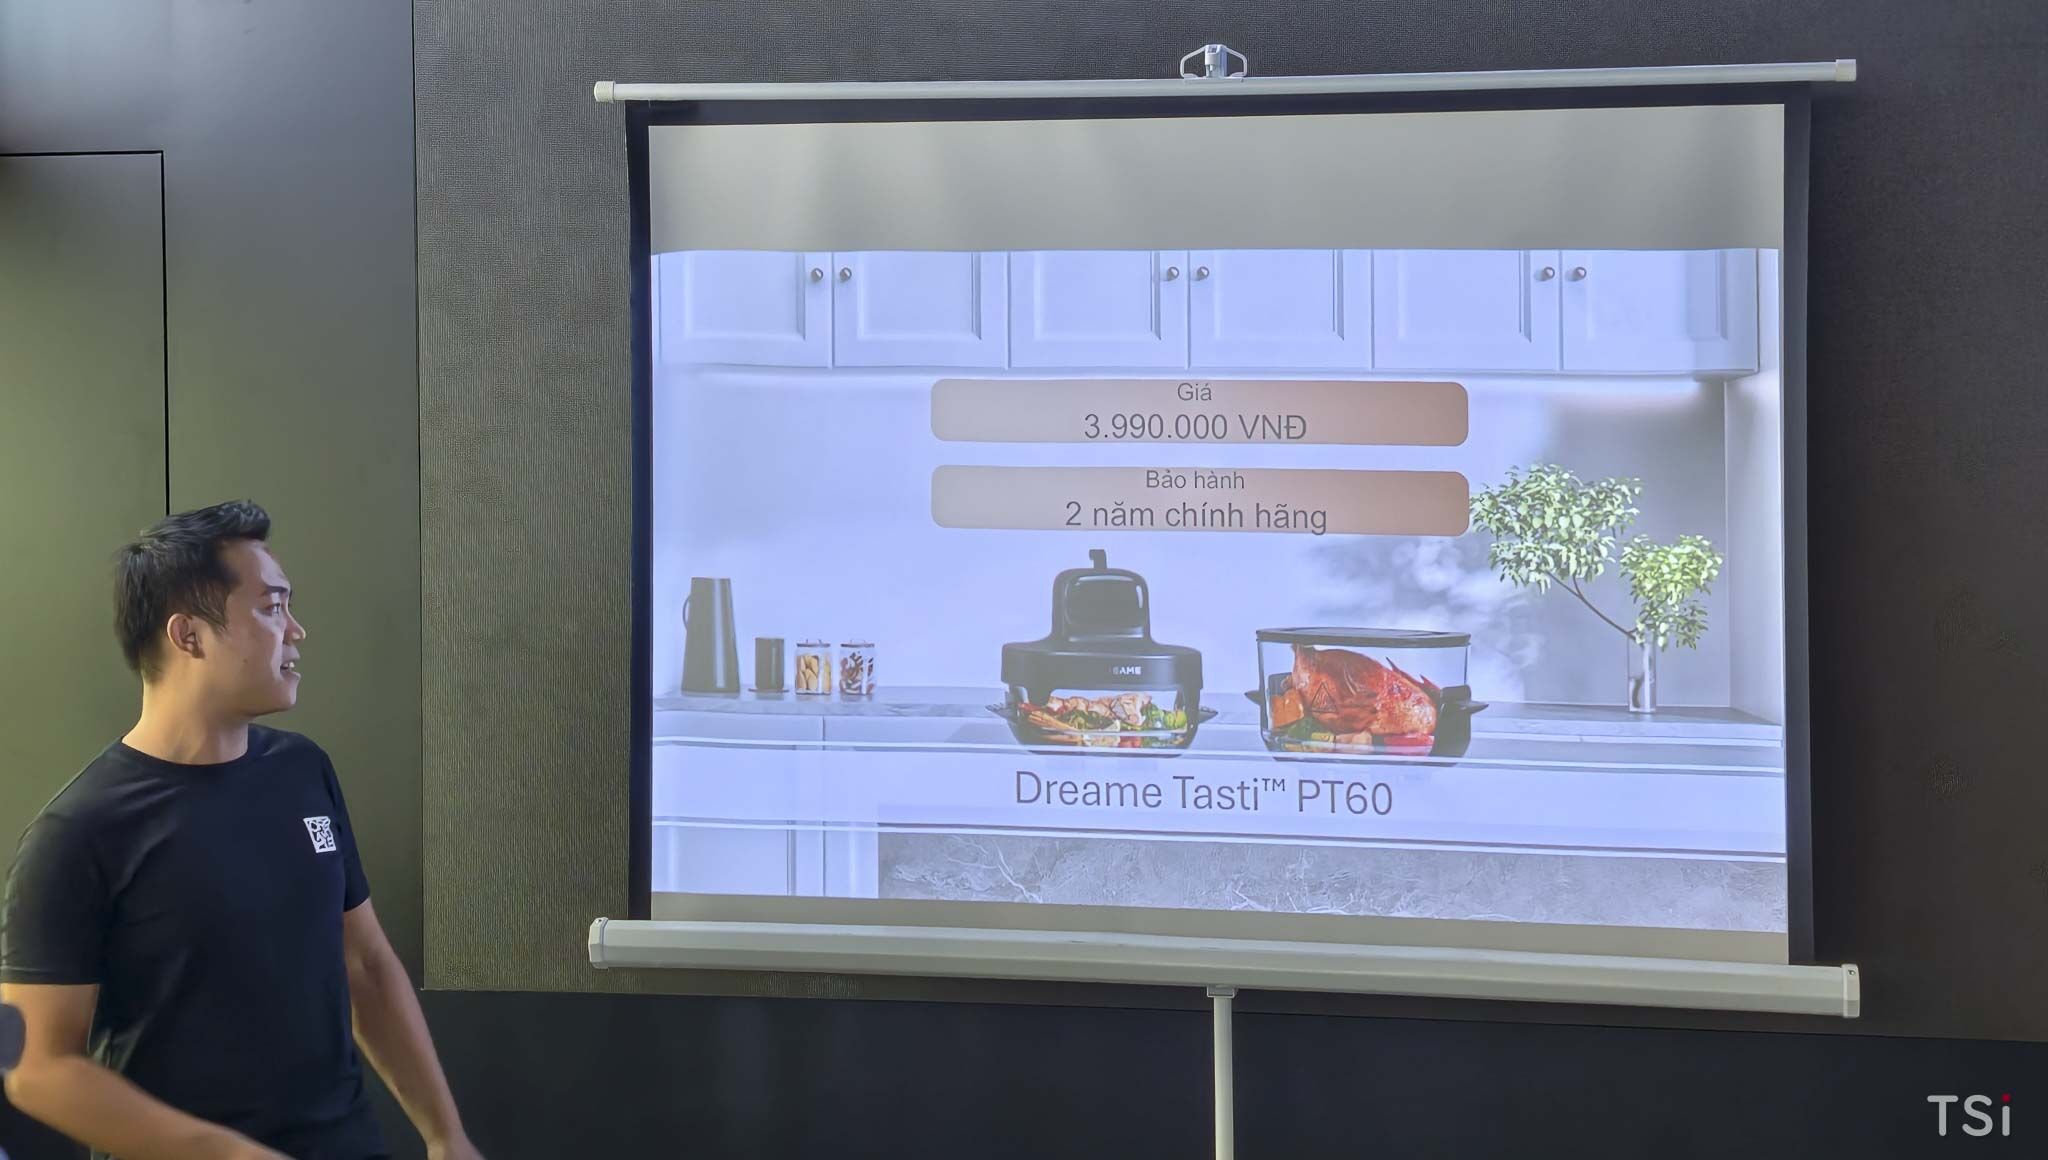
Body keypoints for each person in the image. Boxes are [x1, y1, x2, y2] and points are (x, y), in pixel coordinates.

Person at [1, 502, 481, 1160]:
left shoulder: (304, 770)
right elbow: (36, 1068)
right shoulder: (78, 832)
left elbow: (366, 965)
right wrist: (230, 1154)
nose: (297, 631)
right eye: (272, 608)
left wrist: (446, 1135)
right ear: (188, 635)